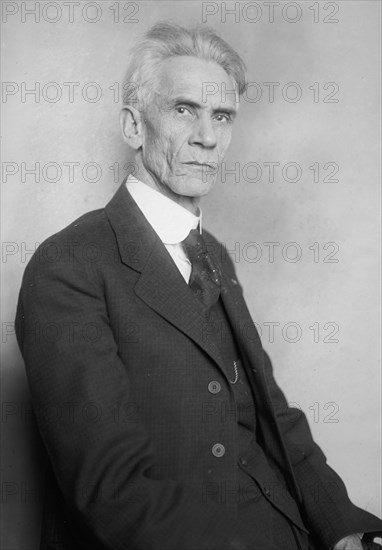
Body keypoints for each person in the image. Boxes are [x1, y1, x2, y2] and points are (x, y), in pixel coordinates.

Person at [15, 21, 382, 550]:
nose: (207, 136)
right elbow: (111, 490)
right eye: (184, 109)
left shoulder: (217, 257)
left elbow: (273, 418)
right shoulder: (68, 264)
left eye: (222, 116)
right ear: (134, 127)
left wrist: (349, 529)